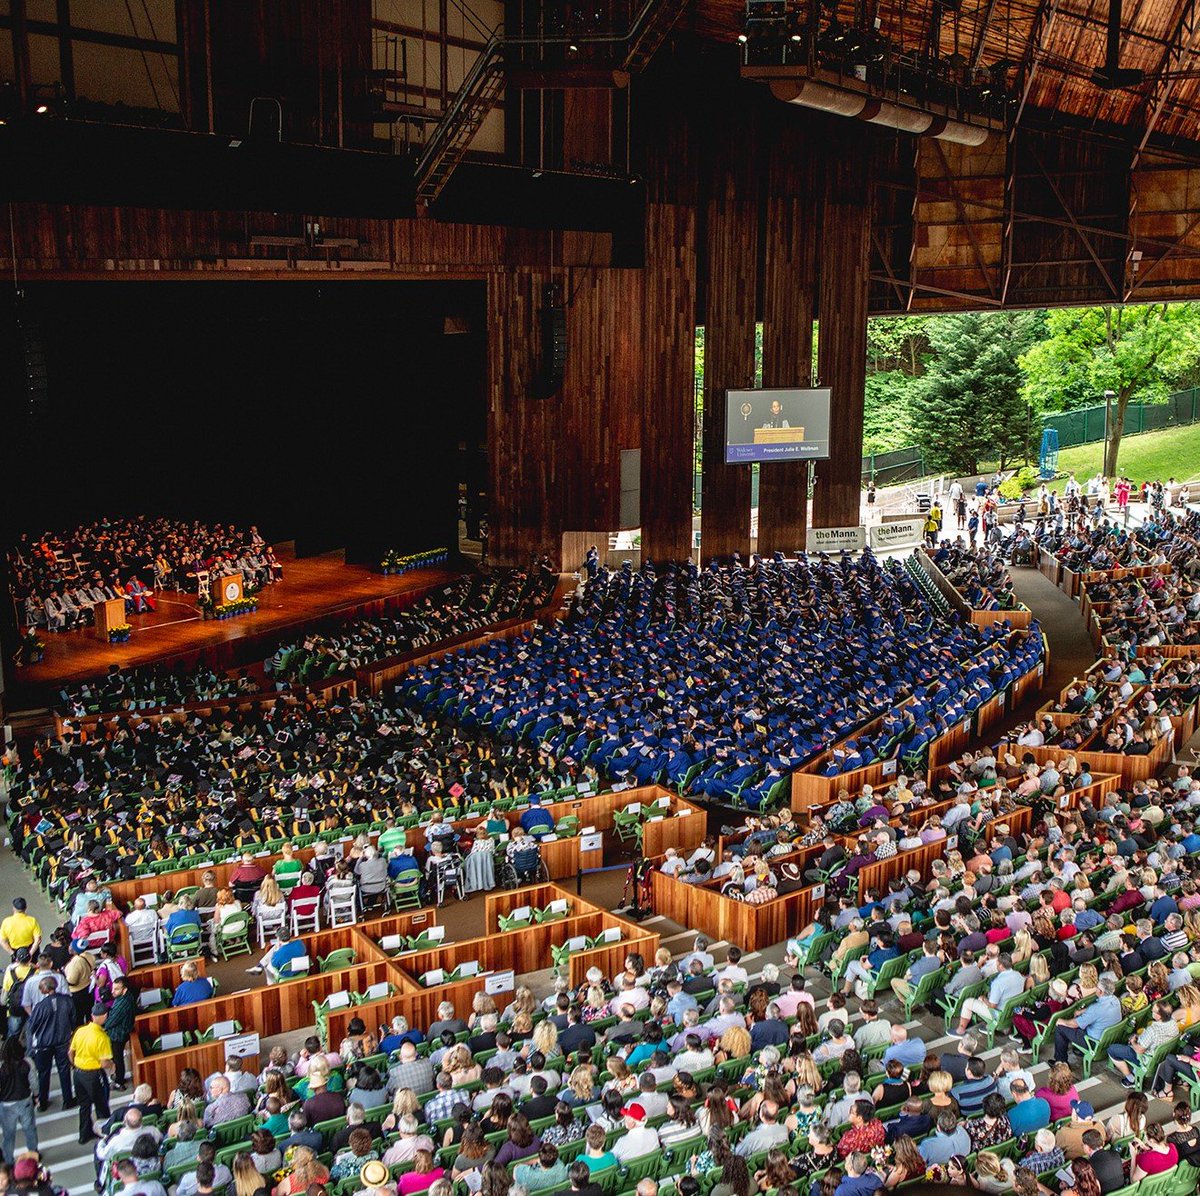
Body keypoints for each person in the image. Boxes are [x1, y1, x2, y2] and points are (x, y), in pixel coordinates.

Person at [25, 975, 75, 1112]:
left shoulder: (40, 1007)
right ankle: (68, 1100)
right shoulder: (67, 1001)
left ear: (44, 989)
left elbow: (32, 1026)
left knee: (43, 1073)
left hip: (44, 1044)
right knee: (64, 1070)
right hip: (63, 1041)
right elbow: (73, 1020)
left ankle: (43, 1102)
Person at [69, 1002, 113, 1144]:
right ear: (105, 1016)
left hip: (78, 1073)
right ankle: (106, 1134)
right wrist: (112, 1065)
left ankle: (84, 1134)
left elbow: (70, 1052)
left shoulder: (80, 1031)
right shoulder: (102, 1038)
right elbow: (104, 1062)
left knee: (84, 1105)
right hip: (94, 1075)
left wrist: (75, 1064)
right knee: (101, 1105)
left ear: (92, 1015)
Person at [0, 1037, 37, 1166]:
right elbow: (33, 1081)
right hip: (25, 1101)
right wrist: (36, 1095)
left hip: (6, 1105)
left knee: (8, 1135)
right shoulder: (27, 1062)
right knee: (30, 1129)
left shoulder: (2, 1067)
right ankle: (33, 1154)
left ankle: (9, 1160)